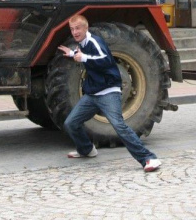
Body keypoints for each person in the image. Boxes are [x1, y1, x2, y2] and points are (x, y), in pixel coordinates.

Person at [57, 14, 162, 173]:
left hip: (108, 92)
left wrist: (82, 57)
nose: (75, 32)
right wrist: (73, 55)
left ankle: (149, 158)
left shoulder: (94, 41)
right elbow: (87, 57)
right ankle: (87, 150)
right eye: (72, 29)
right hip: (93, 95)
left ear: (86, 28)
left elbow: (105, 59)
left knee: (119, 126)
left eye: (78, 28)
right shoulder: (82, 43)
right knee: (71, 123)